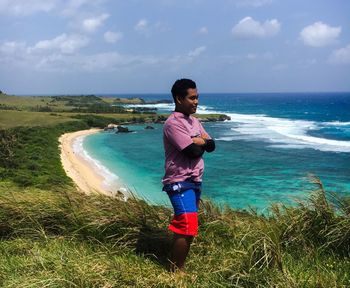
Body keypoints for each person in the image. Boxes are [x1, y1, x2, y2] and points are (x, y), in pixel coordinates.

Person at [162, 78, 215, 272]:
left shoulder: (194, 121)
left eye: (197, 97)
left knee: (189, 228)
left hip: (194, 180)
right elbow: (191, 152)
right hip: (178, 181)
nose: (196, 102)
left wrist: (198, 141)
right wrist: (200, 142)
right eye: (192, 98)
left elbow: (212, 145)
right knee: (186, 224)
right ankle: (176, 273)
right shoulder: (173, 124)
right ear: (178, 99)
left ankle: (177, 267)